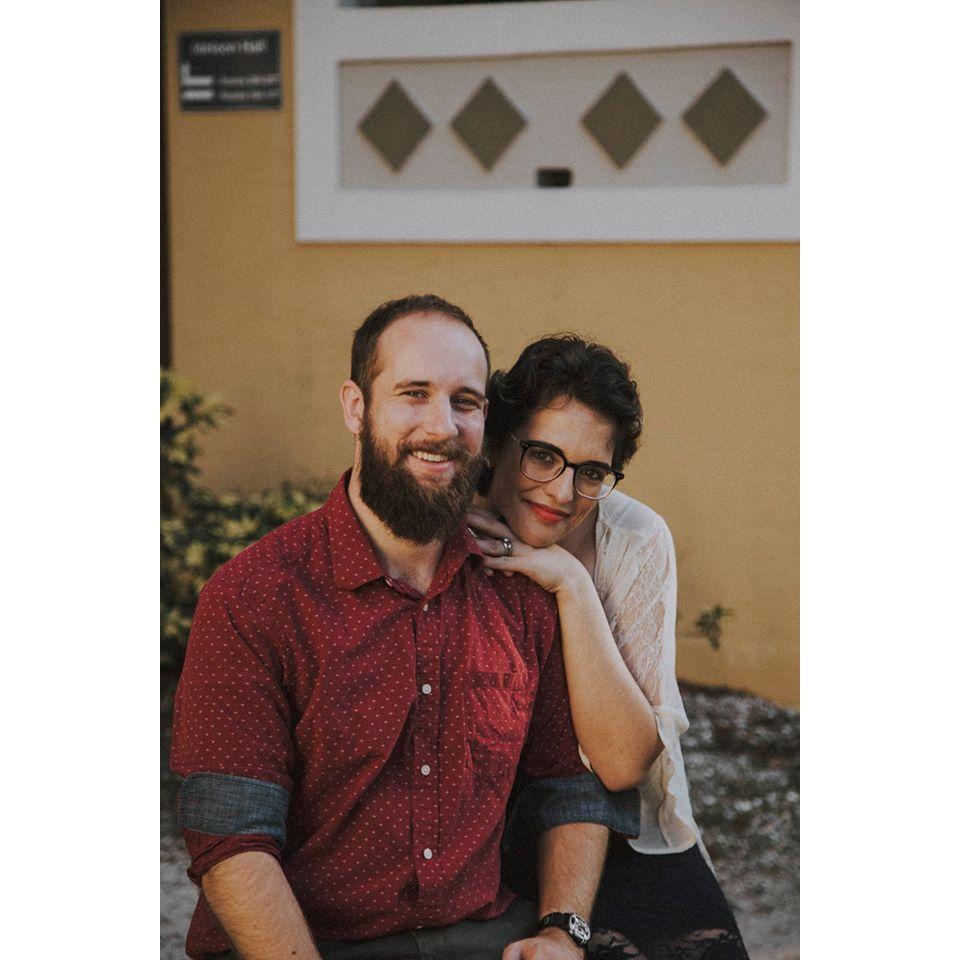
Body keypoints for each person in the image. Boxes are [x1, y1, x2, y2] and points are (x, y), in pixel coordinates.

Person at [170, 297, 622, 960]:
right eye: (414, 394)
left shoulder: (520, 589)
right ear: (356, 406)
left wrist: (561, 930)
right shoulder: (254, 598)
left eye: (465, 402)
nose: (442, 426)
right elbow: (231, 843)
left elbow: (568, 785)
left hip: (487, 940)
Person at [467, 335, 751, 960]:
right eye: (542, 455)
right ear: (495, 442)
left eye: (591, 472)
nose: (562, 494)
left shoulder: (634, 538)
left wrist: (568, 581)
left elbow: (622, 763)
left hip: (619, 828)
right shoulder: (446, 518)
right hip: (478, 829)